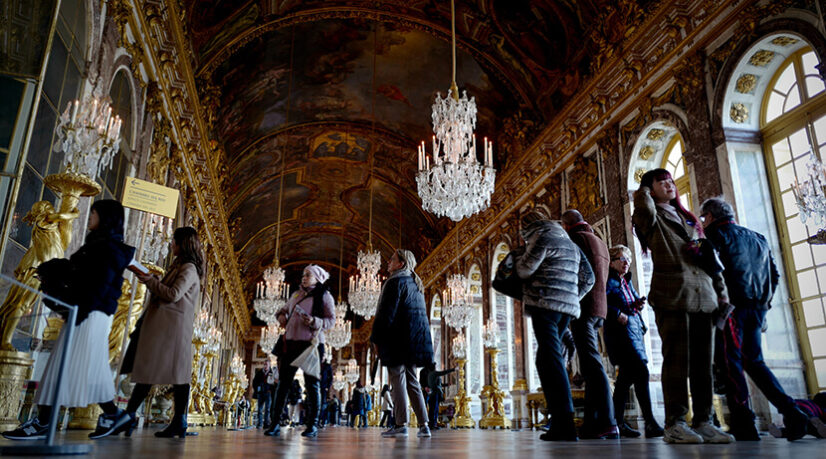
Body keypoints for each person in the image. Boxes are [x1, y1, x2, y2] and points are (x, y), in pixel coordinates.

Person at [3, 200, 135, 441]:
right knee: (89, 369)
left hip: (88, 313)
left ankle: (44, 421)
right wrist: (54, 270)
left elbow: (96, 285)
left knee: (63, 366)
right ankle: (114, 415)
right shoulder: (100, 245)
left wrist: (73, 307)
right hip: (87, 312)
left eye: (94, 213)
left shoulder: (108, 249)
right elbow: (81, 273)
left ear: (104, 217)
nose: (91, 216)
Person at [632, 169, 733, 444]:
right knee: (677, 362)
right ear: (650, 190)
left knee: (703, 364)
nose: (670, 184)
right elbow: (641, 205)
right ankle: (675, 423)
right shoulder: (649, 217)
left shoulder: (690, 220)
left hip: (705, 296)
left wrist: (722, 293)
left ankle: (703, 421)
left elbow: (710, 259)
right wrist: (643, 187)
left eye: (672, 180)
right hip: (673, 295)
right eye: (662, 181)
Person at [700, 197, 810, 441]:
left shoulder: (714, 237)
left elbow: (713, 271)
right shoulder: (758, 237)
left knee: (732, 364)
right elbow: (775, 274)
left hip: (732, 309)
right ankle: (793, 412)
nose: (702, 222)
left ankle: (744, 423)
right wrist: (765, 303)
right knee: (755, 363)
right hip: (758, 308)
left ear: (710, 216)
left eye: (703, 218)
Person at [110, 226, 205, 439]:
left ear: (183, 244)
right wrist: (152, 279)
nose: (171, 244)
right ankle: (142, 416)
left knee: (171, 375)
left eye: (174, 241)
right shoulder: (180, 266)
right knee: (161, 373)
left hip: (171, 329)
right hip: (166, 327)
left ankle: (132, 416)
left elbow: (173, 294)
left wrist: (149, 281)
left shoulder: (188, 268)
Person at [515, 209, 594, 442]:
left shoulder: (542, 236)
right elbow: (588, 277)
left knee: (551, 359)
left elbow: (524, 269)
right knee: (545, 359)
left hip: (546, 304)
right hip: (566, 308)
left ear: (528, 226)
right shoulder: (567, 240)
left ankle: (564, 423)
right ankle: (559, 419)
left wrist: (519, 259)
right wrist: (570, 296)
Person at [562, 209, 617, 439]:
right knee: (589, 362)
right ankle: (592, 423)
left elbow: (575, 274)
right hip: (599, 307)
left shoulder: (576, 239)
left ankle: (608, 421)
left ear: (566, 226)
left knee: (592, 364)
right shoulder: (600, 241)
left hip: (584, 307)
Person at [264, 264, 335, 438]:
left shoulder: (324, 296)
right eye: (303, 274)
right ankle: (274, 424)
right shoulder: (296, 294)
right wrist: (281, 317)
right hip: (290, 344)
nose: (304, 277)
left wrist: (314, 321)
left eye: (308, 275)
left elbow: (331, 320)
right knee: (283, 385)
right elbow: (282, 311)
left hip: (311, 345)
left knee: (312, 386)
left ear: (317, 278)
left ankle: (312, 425)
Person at [370, 249, 434, 438]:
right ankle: (424, 425)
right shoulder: (415, 284)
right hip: (414, 341)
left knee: (397, 379)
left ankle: (400, 424)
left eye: (392, 259)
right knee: (412, 381)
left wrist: (376, 339)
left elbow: (385, 314)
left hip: (397, 340)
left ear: (401, 264)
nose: (388, 262)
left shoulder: (394, 282)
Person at [604, 245, 664, 438]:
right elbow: (601, 301)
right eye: (622, 259)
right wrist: (616, 313)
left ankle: (616, 423)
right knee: (641, 370)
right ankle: (650, 422)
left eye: (628, 260)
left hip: (634, 330)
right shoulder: (608, 280)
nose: (626, 263)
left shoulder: (627, 281)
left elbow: (630, 300)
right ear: (612, 261)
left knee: (624, 380)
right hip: (620, 334)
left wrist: (636, 304)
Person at [420, 363, 456, 429]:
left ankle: (433, 423)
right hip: (426, 392)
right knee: (425, 407)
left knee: (434, 408)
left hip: (435, 392)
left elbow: (439, 384)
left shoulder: (434, 373)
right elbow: (421, 381)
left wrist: (446, 384)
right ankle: (424, 423)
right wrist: (425, 387)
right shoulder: (423, 371)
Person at [253, 360, 275, 428]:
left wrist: (271, 390)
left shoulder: (272, 373)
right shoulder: (259, 372)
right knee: (260, 409)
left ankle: (266, 423)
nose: (265, 366)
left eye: (267, 365)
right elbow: (254, 382)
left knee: (267, 409)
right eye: (264, 364)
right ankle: (260, 423)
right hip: (260, 393)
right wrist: (257, 389)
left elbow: (274, 383)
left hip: (268, 393)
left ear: (269, 365)